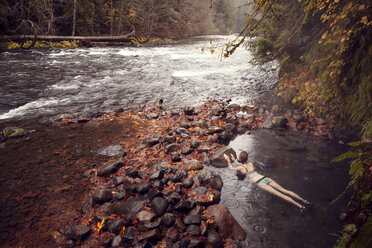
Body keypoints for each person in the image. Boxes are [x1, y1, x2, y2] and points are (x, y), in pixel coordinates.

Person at [224, 151, 310, 209]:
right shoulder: (250, 163)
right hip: (265, 178)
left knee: (281, 195)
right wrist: (234, 159)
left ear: (240, 158)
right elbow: (242, 163)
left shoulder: (240, 167)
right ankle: (304, 201)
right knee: (285, 191)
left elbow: (231, 167)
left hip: (260, 182)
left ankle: (300, 206)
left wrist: (228, 159)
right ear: (247, 158)